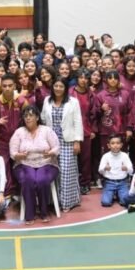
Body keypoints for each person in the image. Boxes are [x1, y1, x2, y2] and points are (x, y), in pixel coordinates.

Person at [9, 107, 60, 224]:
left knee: (42, 179)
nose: (28, 118)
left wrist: (50, 153)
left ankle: (44, 212)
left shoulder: (47, 130)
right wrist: (19, 155)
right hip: (24, 164)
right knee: (29, 179)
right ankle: (29, 214)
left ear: (37, 117)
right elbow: (13, 153)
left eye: (31, 115)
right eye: (25, 116)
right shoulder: (19, 132)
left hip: (47, 163)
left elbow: (57, 147)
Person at [40, 79, 82, 211]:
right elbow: (43, 119)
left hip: (67, 141)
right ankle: (53, 201)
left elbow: (78, 121)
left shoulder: (73, 102)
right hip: (51, 141)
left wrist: (77, 141)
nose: (58, 88)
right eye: (56, 86)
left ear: (65, 88)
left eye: (61, 86)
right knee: (52, 170)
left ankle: (67, 202)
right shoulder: (47, 100)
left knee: (66, 172)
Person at [0, 75, 28, 197]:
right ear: (1, 87)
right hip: (2, 141)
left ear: (14, 86)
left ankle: (20, 193)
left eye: (10, 86)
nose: (7, 88)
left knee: (20, 165)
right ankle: (8, 193)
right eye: (4, 86)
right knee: (4, 166)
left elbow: (30, 116)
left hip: (20, 140)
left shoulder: (21, 101)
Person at [98, 135, 132, 207]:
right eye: (113, 143)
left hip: (122, 182)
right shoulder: (105, 156)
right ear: (108, 145)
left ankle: (118, 194)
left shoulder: (125, 155)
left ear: (121, 145)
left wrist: (126, 168)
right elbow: (100, 170)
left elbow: (131, 170)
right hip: (109, 182)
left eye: (117, 143)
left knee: (125, 202)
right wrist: (105, 168)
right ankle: (113, 193)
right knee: (105, 202)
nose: (115, 145)